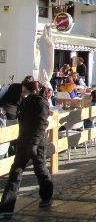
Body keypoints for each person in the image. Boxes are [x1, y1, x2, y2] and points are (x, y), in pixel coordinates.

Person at [0, 81, 53, 218]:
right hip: (24, 143)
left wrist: (34, 144)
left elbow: (41, 125)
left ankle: (46, 196)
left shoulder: (41, 103)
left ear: (31, 91)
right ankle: (6, 207)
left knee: (40, 169)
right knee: (15, 173)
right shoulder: (24, 102)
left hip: (37, 144)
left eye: (23, 90)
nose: (21, 93)